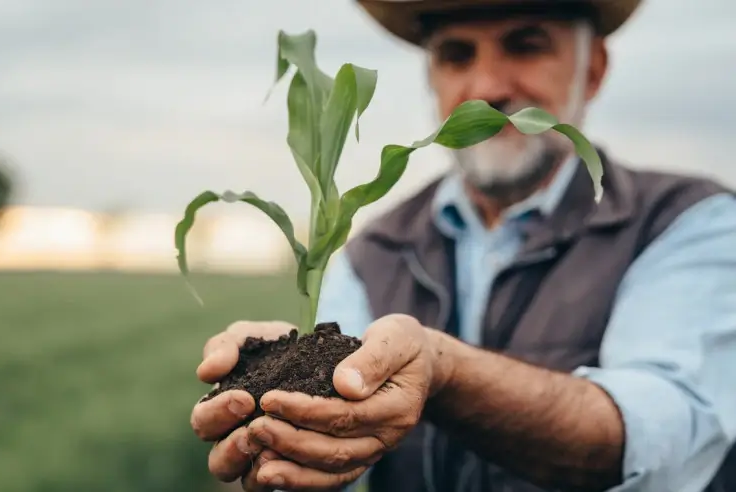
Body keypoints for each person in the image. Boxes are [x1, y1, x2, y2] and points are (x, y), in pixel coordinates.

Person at [190, 0, 736, 490]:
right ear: (431, 77)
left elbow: (667, 439)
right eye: (456, 55)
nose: (487, 87)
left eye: (526, 45)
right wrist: (280, 429)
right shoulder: (373, 251)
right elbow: (341, 433)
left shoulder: (687, 221)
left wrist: (444, 371)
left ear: (592, 71)